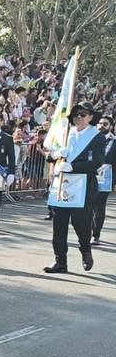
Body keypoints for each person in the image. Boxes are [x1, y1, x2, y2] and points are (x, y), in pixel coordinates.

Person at [44, 101, 106, 273]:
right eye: (76, 114)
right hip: (62, 185)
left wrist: (73, 167)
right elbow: (50, 155)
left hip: (83, 186)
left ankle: (85, 249)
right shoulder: (65, 134)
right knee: (59, 226)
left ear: (91, 117)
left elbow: (97, 162)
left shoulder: (97, 137)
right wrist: (56, 154)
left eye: (83, 114)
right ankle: (60, 261)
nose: (79, 117)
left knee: (81, 223)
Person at [92, 115, 114, 245]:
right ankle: (86, 233)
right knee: (89, 206)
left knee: (99, 207)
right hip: (90, 176)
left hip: (105, 177)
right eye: (100, 123)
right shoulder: (92, 139)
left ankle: (96, 234)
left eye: (105, 124)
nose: (101, 126)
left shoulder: (114, 141)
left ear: (111, 126)